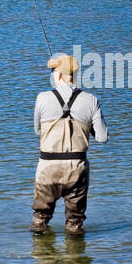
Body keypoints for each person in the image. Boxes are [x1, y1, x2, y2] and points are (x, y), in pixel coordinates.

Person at [32, 53, 108, 235]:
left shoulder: (41, 98)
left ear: (57, 75)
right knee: (75, 224)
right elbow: (102, 138)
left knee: (39, 220)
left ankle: (42, 258)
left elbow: (38, 131)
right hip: (76, 170)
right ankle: (75, 260)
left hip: (47, 169)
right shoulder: (91, 100)